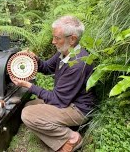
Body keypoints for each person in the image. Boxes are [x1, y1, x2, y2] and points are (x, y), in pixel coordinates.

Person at [11, 15, 96, 152]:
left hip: (78, 109)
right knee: (28, 105)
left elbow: (58, 100)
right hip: (66, 100)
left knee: (28, 114)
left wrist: (28, 86)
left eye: (57, 38)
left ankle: (72, 137)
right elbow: (46, 67)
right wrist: (34, 59)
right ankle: (63, 128)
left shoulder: (78, 63)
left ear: (72, 39)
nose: (53, 41)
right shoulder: (65, 52)